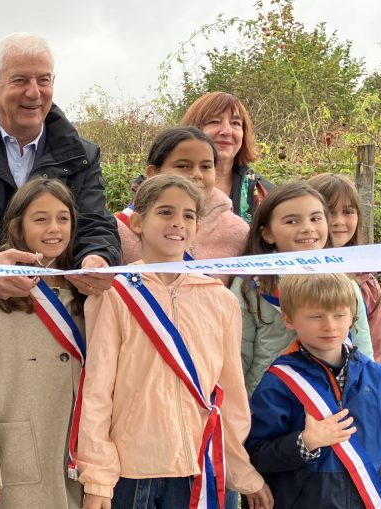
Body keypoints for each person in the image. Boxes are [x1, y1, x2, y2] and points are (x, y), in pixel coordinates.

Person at [76, 175, 272, 509]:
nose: (178, 223)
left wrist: (241, 469)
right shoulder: (114, 293)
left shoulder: (220, 299)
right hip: (132, 471)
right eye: (165, 212)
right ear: (137, 222)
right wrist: (97, 477)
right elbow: (96, 389)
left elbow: (231, 394)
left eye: (188, 215)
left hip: (199, 468)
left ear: (197, 226)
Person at [0, 32, 120, 300]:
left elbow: (94, 220)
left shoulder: (82, 155)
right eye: (20, 80)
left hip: (58, 303)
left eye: (43, 80)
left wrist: (97, 258)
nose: (34, 92)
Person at [0, 178, 87, 508]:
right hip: (17, 455)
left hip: (77, 456)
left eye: (63, 218)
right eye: (40, 218)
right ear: (18, 227)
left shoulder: (85, 292)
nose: (54, 228)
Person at [246, 273, 381, 509]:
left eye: (339, 315)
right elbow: (257, 454)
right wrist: (304, 443)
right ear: (288, 318)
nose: (329, 325)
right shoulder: (278, 384)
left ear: (352, 316)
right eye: (316, 316)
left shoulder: (379, 379)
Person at [230, 183, 373, 394]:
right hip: (270, 408)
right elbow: (236, 358)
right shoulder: (250, 286)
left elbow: (363, 349)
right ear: (267, 234)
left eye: (316, 218)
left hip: (333, 405)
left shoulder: (346, 283)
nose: (307, 228)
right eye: (292, 221)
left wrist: (368, 396)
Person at [115, 127, 248, 266]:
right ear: (153, 172)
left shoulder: (238, 232)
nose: (197, 175)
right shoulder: (117, 232)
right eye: (183, 166)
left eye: (206, 166)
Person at [308, 173, 381, 362]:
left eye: (348, 211)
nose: (339, 221)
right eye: (329, 212)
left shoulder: (368, 284)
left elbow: (373, 352)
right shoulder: (290, 275)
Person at [180, 91, 274, 224]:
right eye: (214, 121)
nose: (226, 131)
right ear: (193, 129)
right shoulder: (164, 185)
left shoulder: (264, 193)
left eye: (235, 123)